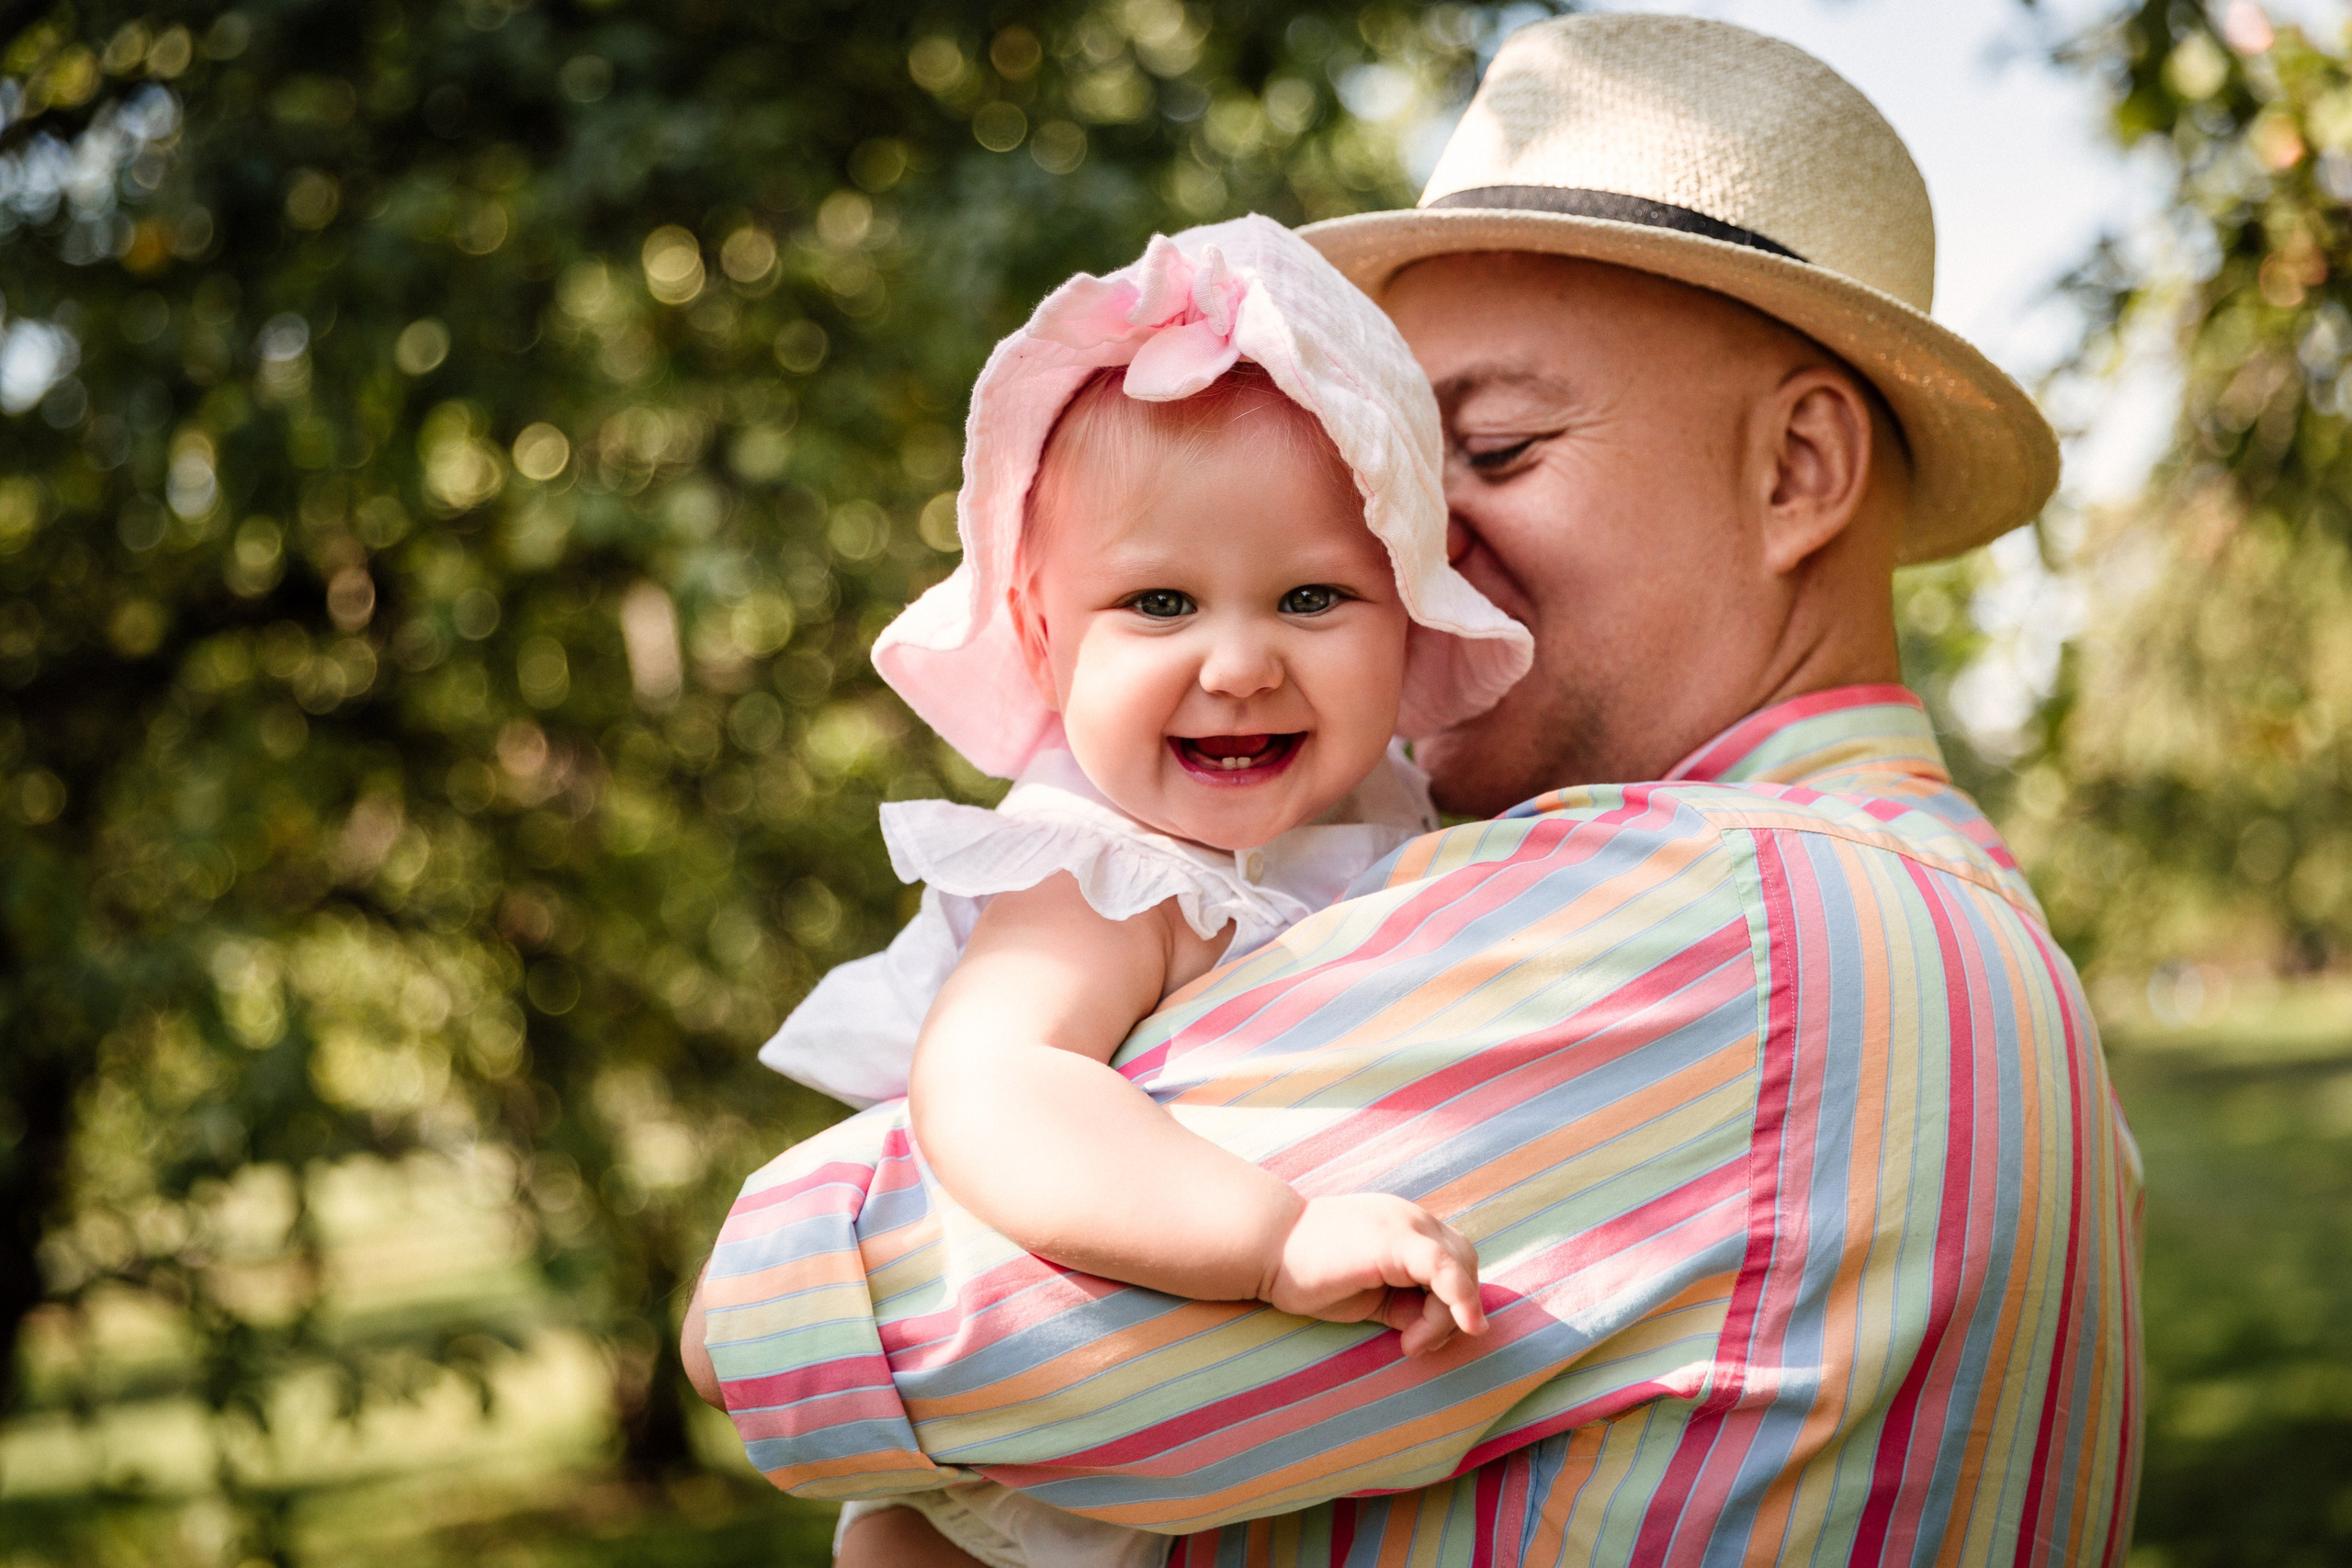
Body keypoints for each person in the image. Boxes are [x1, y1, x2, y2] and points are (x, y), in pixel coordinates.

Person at [689, 15, 2144, 1566]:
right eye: (1387, 475)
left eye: (1494, 450)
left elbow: (788, 1321)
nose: (1409, 549)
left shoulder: (1719, 923)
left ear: (1797, 471)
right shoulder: (1955, 912)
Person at [718, 214, 1531, 1568]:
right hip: (1000, 1503)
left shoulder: (1392, 818)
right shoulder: (1106, 871)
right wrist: (1278, 1241)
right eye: (1159, 603)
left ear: (1408, 615)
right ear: (1044, 639)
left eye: (1313, 598)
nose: (1240, 664)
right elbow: (996, 1085)